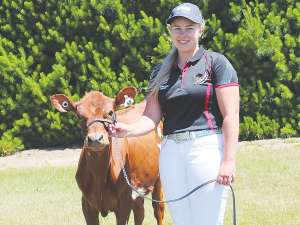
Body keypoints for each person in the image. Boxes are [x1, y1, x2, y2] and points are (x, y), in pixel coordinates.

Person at [109, 2, 239, 225]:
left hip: (206, 149)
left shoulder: (217, 63)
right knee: (181, 221)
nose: (183, 33)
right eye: (177, 27)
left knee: (206, 221)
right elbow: (151, 116)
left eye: (189, 27)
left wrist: (228, 160)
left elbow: (231, 115)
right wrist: (127, 130)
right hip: (170, 153)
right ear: (170, 31)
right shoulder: (160, 71)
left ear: (201, 29)